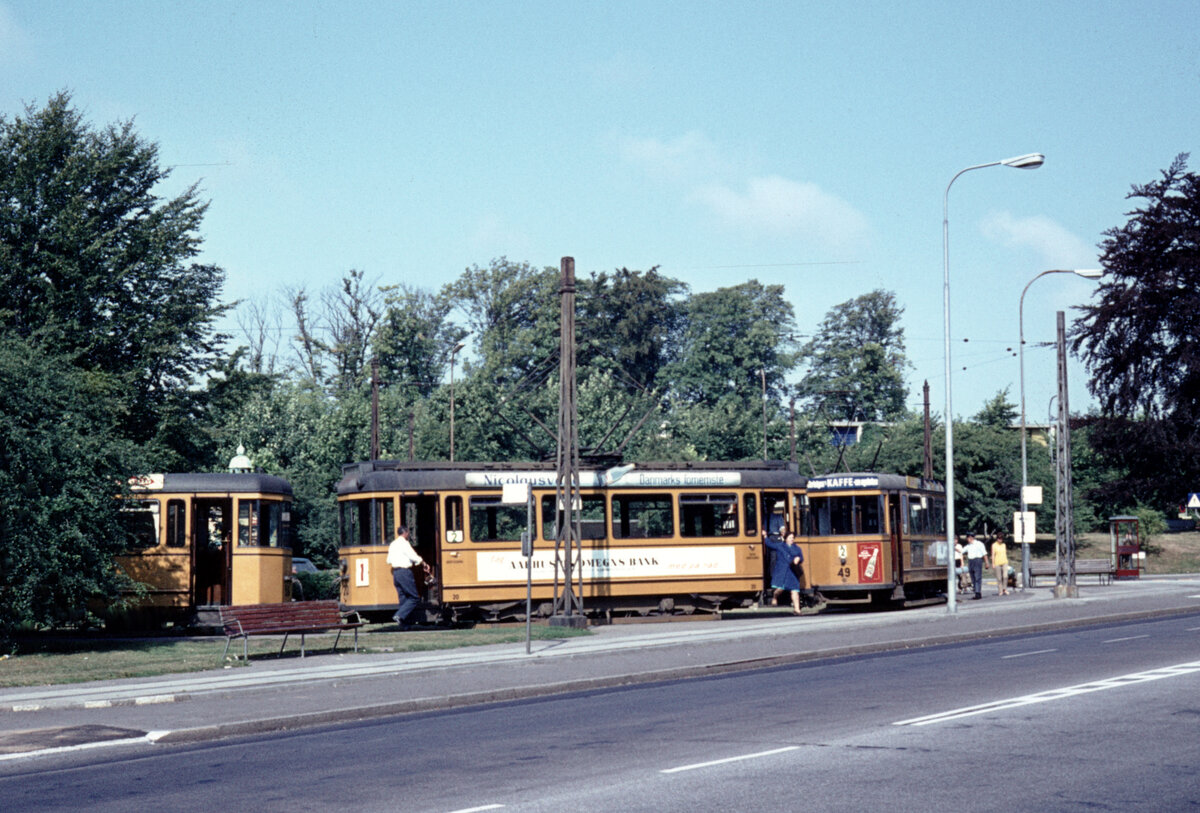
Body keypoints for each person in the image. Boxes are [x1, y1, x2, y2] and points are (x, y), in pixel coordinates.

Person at [387, 525, 430, 629]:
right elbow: (413, 555)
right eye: (408, 533)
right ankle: (400, 615)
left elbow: (388, 560)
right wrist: (423, 563)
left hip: (396, 573)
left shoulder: (393, 544)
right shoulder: (404, 544)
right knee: (414, 597)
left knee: (403, 598)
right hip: (404, 572)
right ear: (405, 533)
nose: (409, 535)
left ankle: (404, 625)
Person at [763, 527, 805, 614]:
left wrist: (798, 558)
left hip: (792, 572)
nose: (791, 539)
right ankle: (775, 597)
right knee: (780, 589)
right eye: (790, 538)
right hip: (782, 571)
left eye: (793, 538)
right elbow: (769, 544)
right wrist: (765, 536)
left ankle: (797, 609)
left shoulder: (797, 548)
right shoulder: (780, 546)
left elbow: (801, 557)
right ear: (785, 539)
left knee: (795, 590)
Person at [964, 533, 989, 600]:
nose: (967, 539)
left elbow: (984, 553)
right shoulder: (968, 546)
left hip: (977, 560)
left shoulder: (979, 544)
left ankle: (978, 593)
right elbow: (962, 551)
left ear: (971, 538)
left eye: (968, 538)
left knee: (977, 577)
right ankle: (976, 591)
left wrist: (986, 562)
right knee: (972, 577)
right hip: (971, 561)